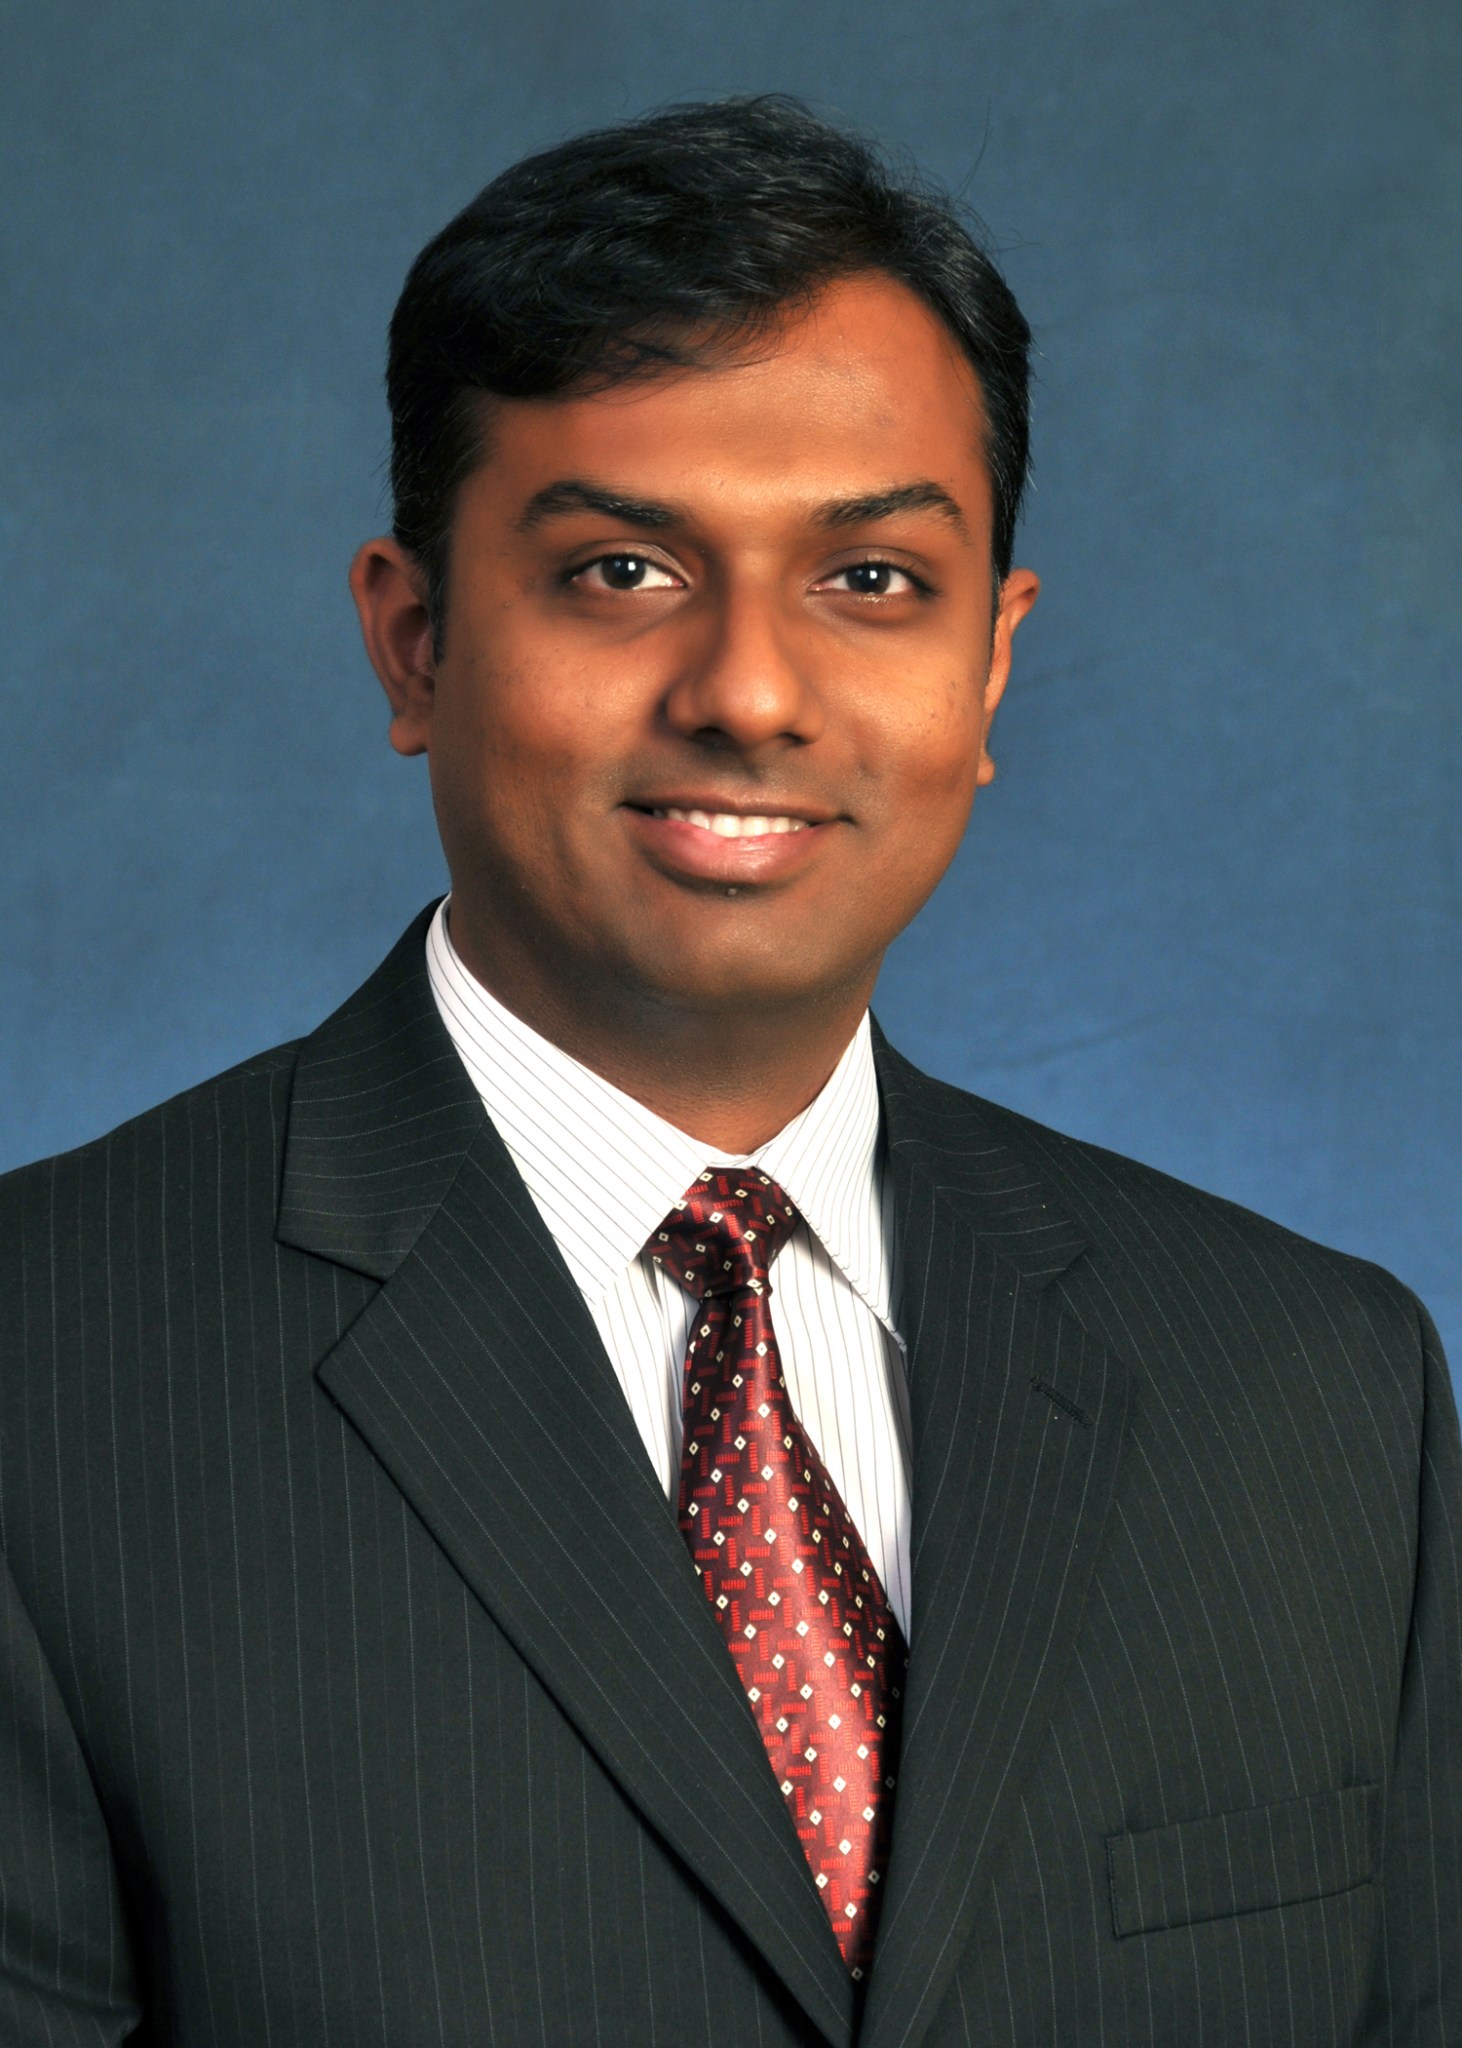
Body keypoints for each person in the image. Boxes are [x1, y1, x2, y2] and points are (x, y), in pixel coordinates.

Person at [1, 94, 1457, 2048]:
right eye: (619, 571)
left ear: (991, 668)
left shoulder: (1315, 1393)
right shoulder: (43, 1380)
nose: (750, 691)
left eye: (869, 583)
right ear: (412, 642)